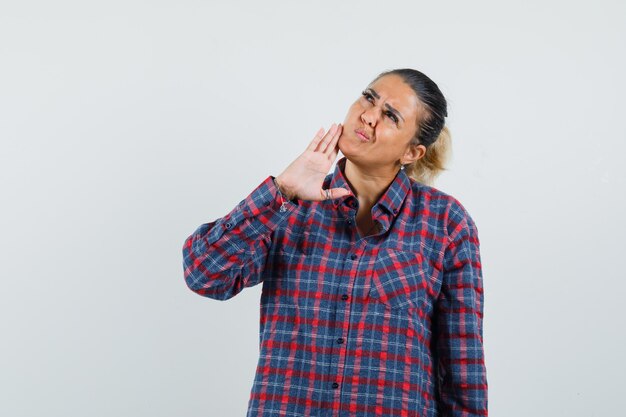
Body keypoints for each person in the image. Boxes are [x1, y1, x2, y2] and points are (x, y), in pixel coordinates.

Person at [182, 68, 488, 417]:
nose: (368, 115)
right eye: (369, 98)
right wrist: (281, 191)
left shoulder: (446, 222)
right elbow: (204, 275)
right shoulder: (288, 207)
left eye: (390, 115)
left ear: (412, 153)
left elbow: (462, 368)